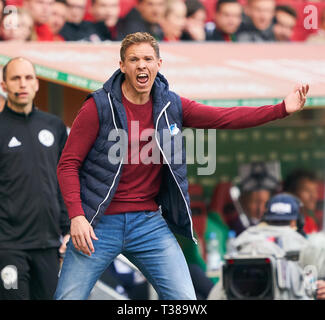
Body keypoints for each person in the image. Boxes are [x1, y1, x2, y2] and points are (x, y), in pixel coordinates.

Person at [54, 31, 309, 300]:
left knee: (185, 301)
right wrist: (77, 217)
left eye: (148, 59)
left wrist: (281, 109)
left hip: (148, 224)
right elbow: (68, 164)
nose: (142, 65)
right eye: (134, 59)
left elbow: (224, 117)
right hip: (98, 224)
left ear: (158, 65)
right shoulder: (98, 107)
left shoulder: (171, 105)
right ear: (122, 66)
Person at [0, 57, 70, 300]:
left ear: (37, 84)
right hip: (8, 246)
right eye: (15, 78)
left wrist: (68, 228)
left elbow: (64, 182)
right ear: (4, 84)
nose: (22, 84)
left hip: (49, 244)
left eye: (28, 78)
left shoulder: (54, 126)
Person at [283, 169, 319, 234]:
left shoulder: (309, 222)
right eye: (307, 191)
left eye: (314, 191)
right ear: (291, 193)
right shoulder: (282, 221)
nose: (313, 196)